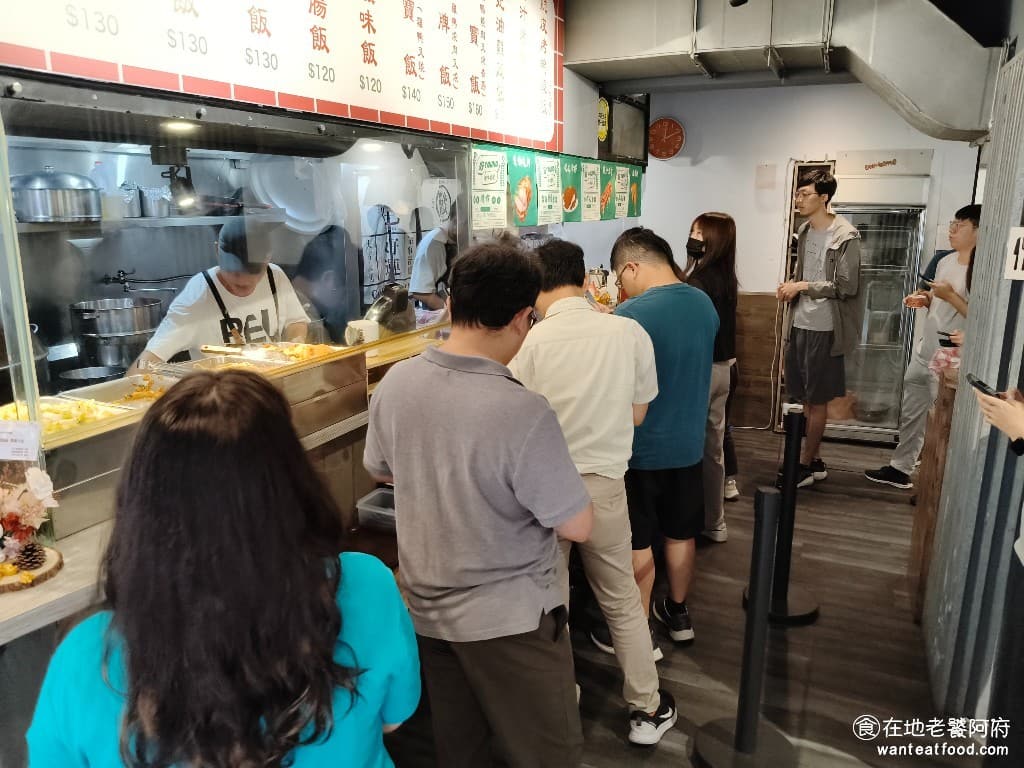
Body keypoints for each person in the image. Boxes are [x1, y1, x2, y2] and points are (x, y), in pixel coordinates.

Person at [27, 370, 420, 767]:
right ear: (293, 483)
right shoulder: (368, 586)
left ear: (141, 510)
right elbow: (394, 719)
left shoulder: (85, 657)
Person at [364, 241, 593, 767]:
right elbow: (578, 525)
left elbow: (380, 469)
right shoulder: (522, 410)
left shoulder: (397, 382)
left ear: (450, 304)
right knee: (548, 755)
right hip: (510, 622)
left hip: (428, 612)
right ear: (521, 318)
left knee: (460, 752)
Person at [508, 238, 677, 746]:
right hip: (604, 485)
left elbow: (513, 422)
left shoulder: (528, 344)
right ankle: (646, 709)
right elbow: (639, 414)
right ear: (585, 279)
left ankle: (564, 696)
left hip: (544, 490)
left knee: (551, 601)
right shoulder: (627, 331)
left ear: (535, 286)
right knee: (621, 599)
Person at [611, 227, 718, 645]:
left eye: (620, 277)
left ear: (632, 267)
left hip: (639, 450)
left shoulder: (629, 315)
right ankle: (678, 612)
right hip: (688, 445)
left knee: (638, 540)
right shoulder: (704, 304)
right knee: (680, 532)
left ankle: (638, 631)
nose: (622, 286)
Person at [865, 204, 980, 489]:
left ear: (979, 230)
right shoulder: (944, 260)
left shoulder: (981, 268)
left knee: (942, 418)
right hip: (925, 348)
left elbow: (981, 318)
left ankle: (939, 485)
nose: (952, 230)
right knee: (912, 410)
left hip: (950, 353)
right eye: (952, 224)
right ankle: (900, 468)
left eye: (960, 225)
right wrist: (926, 299)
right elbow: (935, 299)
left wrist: (950, 296)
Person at [777, 171, 862, 487]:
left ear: (824, 197)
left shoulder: (845, 235)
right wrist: (792, 286)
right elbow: (805, 273)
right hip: (799, 322)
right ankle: (813, 459)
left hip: (825, 327)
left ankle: (804, 464)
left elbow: (847, 286)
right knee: (804, 398)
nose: (798, 200)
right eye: (797, 194)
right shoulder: (804, 230)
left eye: (805, 194)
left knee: (817, 400)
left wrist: (802, 286)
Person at [133, 217, 309, 369]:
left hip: (272, 382)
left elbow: (296, 321)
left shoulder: (275, 276)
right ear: (217, 250)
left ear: (268, 258)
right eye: (234, 275)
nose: (243, 285)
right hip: (222, 392)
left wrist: (295, 345)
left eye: (253, 276)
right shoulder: (197, 297)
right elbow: (148, 360)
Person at [684, 212, 739, 542]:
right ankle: (715, 523)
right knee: (714, 450)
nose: (692, 238)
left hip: (703, 372)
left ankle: (688, 522)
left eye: (698, 233)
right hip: (725, 370)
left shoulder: (698, 283)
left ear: (713, 241)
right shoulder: (726, 277)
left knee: (692, 450)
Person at [292, 224, 353, 343]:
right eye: (343, 291)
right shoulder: (309, 322)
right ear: (329, 280)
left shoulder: (288, 294)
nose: (343, 300)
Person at [409, 202, 457, 310]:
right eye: (466, 224)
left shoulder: (461, 240)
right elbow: (421, 293)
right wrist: (452, 312)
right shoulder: (434, 244)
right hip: (441, 315)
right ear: (455, 220)